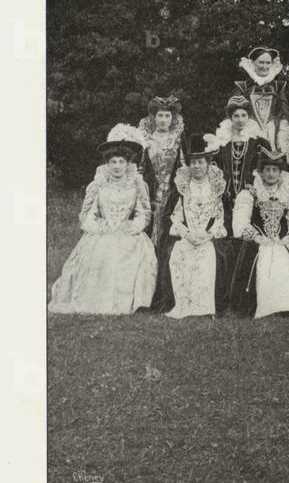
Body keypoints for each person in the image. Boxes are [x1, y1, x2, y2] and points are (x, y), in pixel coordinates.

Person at [49, 124, 157, 314]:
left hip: (126, 230)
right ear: (107, 165)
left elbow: (143, 212)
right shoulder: (98, 185)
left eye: (121, 162)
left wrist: (135, 226)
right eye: (113, 162)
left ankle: (132, 301)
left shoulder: (136, 185)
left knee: (138, 253)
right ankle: (95, 300)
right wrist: (97, 227)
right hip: (103, 230)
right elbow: (88, 213)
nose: (117, 166)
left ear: (127, 164)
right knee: (101, 252)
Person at [228, 147, 289, 318]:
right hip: (258, 241)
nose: (271, 174)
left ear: (281, 172)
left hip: (281, 241)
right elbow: (240, 219)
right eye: (267, 169)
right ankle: (262, 305)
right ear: (260, 171)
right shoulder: (250, 192)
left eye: (275, 170)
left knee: (288, 257)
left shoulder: (288, 192)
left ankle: (288, 306)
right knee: (260, 258)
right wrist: (257, 237)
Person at [162, 134, 230, 319]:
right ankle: (183, 303)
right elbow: (170, 216)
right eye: (193, 163)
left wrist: (209, 234)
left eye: (200, 162)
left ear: (208, 163)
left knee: (212, 256)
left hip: (208, 237)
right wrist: (186, 234)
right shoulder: (182, 186)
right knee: (177, 254)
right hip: (186, 236)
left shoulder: (217, 186)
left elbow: (223, 217)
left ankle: (206, 305)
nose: (197, 167)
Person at [214, 96, 270, 237]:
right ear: (230, 118)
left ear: (248, 117)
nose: (240, 119)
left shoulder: (258, 142)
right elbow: (216, 167)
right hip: (226, 194)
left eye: (243, 115)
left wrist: (254, 185)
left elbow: (265, 168)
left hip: (251, 192)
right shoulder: (223, 141)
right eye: (236, 116)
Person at [137, 95, 185, 251]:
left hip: (172, 193)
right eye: (160, 116)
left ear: (172, 119)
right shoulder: (146, 140)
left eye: (167, 116)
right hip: (150, 192)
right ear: (154, 118)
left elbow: (183, 168)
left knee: (168, 230)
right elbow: (141, 168)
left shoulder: (177, 141)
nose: (163, 120)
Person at [234, 46, 289, 150]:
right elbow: (233, 111)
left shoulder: (278, 87)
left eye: (268, 63)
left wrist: (282, 132)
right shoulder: (243, 87)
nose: (265, 66)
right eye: (261, 62)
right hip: (249, 130)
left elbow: (284, 111)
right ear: (253, 63)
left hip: (272, 130)